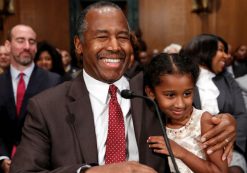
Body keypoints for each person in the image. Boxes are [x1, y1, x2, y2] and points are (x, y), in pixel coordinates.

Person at [10, 2, 236, 173]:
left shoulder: (154, 92)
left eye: (122, 37)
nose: (115, 46)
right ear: (79, 45)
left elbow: (194, 120)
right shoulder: (47, 107)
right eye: (101, 36)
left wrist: (225, 122)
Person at [144, 53, 228, 173]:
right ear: (150, 92)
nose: (180, 104)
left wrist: (181, 152)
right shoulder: (157, 122)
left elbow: (221, 171)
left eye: (187, 93)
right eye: (170, 95)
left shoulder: (204, 121)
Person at [0, 24, 62, 173]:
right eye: (21, 40)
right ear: (8, 45)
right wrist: (2, 157)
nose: (27, 46)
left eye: (32, 42)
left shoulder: (54, 82)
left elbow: (58, 130)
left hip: (40, 166)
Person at [182, 34, 247, 173]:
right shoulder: (182, 78)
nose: (226, 56)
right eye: (221, 50)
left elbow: (241, 114)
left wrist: (231, 142)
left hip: (228, 147)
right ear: (204, 50)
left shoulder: (227, 79)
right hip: (189, 146)